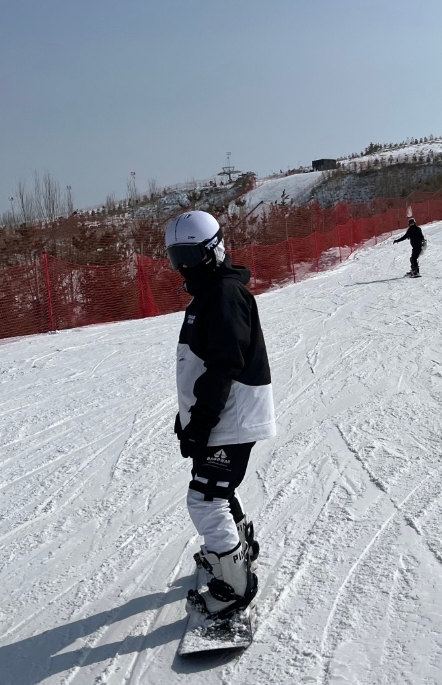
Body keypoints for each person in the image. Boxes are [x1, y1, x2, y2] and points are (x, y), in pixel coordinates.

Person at [166, 210, 276, 618]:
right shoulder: (210, 294)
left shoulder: (225, 295)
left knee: (205, 500)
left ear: (214, 250)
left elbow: (224, 364)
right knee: (216, 491)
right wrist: (190, 417)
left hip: (230, 417)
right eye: (177, 258)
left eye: (190, 257)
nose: (183, 267)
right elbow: (200, 364)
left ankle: (234, 584)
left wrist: (201, 421)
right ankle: (237, 547)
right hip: (220, 417)